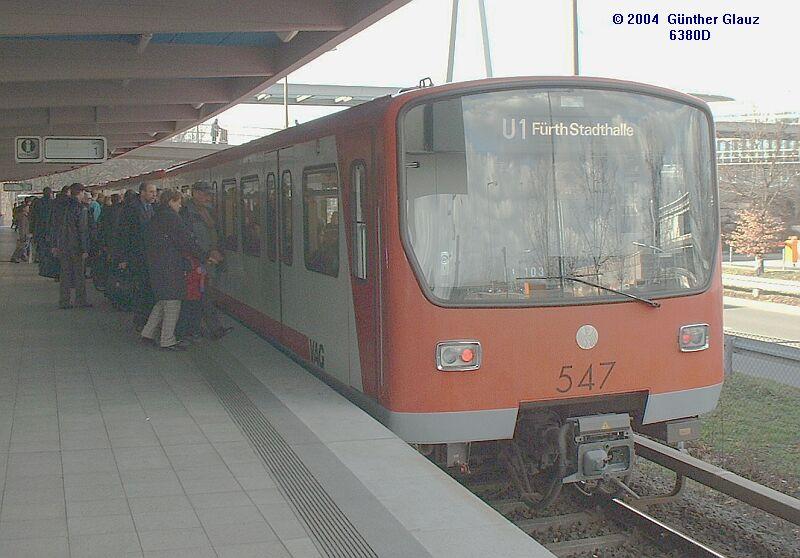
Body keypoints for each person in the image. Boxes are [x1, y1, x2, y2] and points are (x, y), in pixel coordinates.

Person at [140, 190, 204, 350]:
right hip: (169, 265)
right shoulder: (171, 217)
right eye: (178, 202)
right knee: (172, 302)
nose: (180, 205)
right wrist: (202, 255)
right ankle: (167, 340)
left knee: (162, 301)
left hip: (157, 264)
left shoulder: (157, 215)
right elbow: (185, 240)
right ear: (170, 201)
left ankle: (147, 333)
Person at [181, 181, 231, 339]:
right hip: (198, 262)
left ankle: (204, 327)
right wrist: (206, 255)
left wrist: (218, 251)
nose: (208, 197)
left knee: (206, 294)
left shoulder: (209, 211)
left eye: (209, 194)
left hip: (211, 261)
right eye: (205, 194)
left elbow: (217, 233)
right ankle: (209, 328)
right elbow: (188, 240)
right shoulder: (185, 213)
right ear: (195, 193)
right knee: (201, 295)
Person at [117, 182, 157, 328]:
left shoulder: (153, 208)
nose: (154, 195)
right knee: (140, 288)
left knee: (147, 288)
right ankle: (140, 320)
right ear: (142, 192)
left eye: (155, 192)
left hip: (149, 256)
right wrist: (123, 257)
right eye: (151, 192)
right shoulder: (131, 209)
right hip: (136, 255)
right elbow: (123, 234)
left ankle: (147, 320)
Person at [52, 183, 91, 309]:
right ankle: (80, 300)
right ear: (80, 192)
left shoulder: (61, 207)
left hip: (63, 244)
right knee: (79, 274)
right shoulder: (81, 208)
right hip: (76, 246)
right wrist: (85, 248)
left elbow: (54, 226)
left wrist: (55, 244)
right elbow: (82, 230)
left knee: (65, 274)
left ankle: (64, 301)